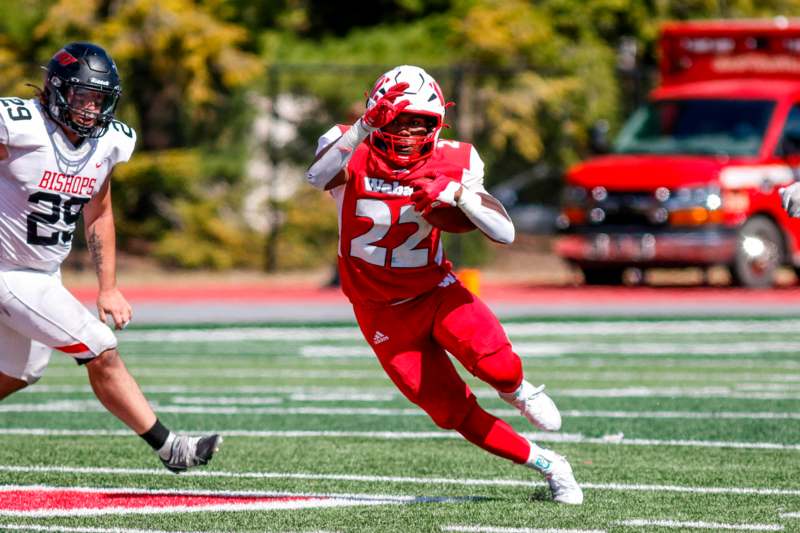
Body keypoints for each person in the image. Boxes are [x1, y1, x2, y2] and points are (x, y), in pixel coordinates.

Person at [306, 65, 582, 504]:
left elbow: (505, 233)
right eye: (397, 119)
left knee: (500, 366)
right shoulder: (348, 145)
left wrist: (457, 196)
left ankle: (519, 391)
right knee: (450, 410)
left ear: (437, 125)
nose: (408, 132)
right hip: (380, 311)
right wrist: (362, 128)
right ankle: (549, 464)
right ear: (376, 115)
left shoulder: (456, 159)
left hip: (436, 292)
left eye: (420, 122)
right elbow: (316, 177)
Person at [0, 42, 221, 472]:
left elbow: (99, 214)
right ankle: (170, 446)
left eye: (99, 99)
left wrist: (109, 287)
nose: (89, 108)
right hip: (6, 269)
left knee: (21, 370)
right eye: (82, 96)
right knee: (100, 348)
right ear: (58, 91)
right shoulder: (20, 127)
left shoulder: (108, 143)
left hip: (44, 271)